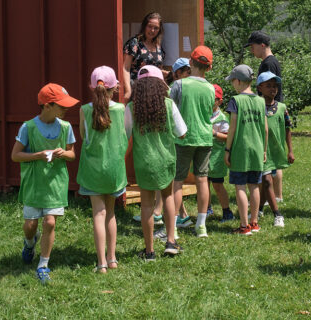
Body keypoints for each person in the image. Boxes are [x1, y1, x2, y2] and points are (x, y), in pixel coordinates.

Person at [11, 83, 78, 284]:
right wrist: (38, 155)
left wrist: (63, 153)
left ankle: (43, 265)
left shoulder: (66, 127)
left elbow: (72, 154)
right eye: (61, 105)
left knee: (50, 221)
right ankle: (30, 243)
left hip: (55, 182)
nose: (66, 109)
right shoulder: (28, 127)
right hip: (34, 183)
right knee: (30, 225)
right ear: (47, 105)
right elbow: (15, 156)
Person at [126, 65, 186, 260]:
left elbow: (124, 135)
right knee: (167, 197)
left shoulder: (131, 108)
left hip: (144, 162)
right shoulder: (169, 105)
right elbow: (182, 132)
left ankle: (149, 250)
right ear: (161, 84)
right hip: (166, 159)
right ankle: (170, 241)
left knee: (146, 205)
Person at [77, 66, 129, 273]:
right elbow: (125, 135)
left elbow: (83, 136)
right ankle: (113, 258)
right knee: (111, 214)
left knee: (98, 214)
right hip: (114, 169)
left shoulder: (84, 110)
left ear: (92, 87)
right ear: (114, 87)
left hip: (92, 169)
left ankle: (101, 263)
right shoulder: (120, 109)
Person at [170, 45, 216, 238]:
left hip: (183, 139)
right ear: (209, 68)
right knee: (202, 180)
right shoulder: (211, 88)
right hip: (205, 138)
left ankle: (172, 226)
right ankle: (201, 225)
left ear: (191, 62)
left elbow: (170, 109)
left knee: (177, 182)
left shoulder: (180, 85)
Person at [224, 64, 267, 235]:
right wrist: (264, 150)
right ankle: (254, 222)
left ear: (239, 81)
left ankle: (243, 225)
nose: (232, 84)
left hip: (240, 150)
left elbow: (232, 128)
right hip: (257, 149)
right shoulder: (261, 101)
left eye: (233, 81)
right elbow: (265, 128)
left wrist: (227, 150)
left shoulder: (236, 101)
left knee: (240, 186)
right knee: (254, 185)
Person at [245, 30, 286, 203]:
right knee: (274, 153)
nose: (251, 50)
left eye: (252, 47)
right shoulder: (271, 61)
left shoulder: (268, 64)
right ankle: (277, 196)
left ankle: (275, 196)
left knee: (269, 155)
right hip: (274, 109)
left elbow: (270, 90)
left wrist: (266, 109)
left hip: (270, 111)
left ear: (262, 45)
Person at [256, 72, 294, 228]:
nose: (273, 89)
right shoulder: (256, 106)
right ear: (260, 87)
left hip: (275, 150)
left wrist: (290, 150)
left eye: (275, 86)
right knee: (266, 181)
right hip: (261, 150)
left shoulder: (281, 108)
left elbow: (287, 129)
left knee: (266, 182)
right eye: (268, 86)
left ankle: (262, 210)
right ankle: (276, 214)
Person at [122, 12, 168, 101]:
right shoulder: (134, 43)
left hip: (154, 92)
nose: (152, 30)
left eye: (156, 28)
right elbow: (125, 68)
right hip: (137, 90)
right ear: (144, 26)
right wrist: (128, 90)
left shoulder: (159, 47)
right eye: (150, 26)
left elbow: (157, 70)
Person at [208, 84, 234, 222]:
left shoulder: (222, 118)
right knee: (203, 184)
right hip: (204, 155)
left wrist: (215, 133)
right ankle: (207, 208)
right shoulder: (204, 114)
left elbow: (228, 136)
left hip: (217, 157)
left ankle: (227, 211)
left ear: (220, 101)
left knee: (217, 184)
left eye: (214, 98)